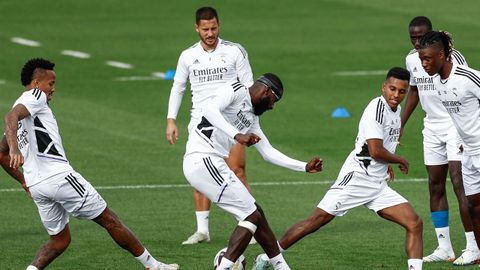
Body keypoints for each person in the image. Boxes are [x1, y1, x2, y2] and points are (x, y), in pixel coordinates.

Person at [1, 58, 179, 270]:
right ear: (37, 83)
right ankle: (154, 267)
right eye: (51, 84)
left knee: (60, 241)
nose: (53, 89)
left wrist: (23, 181)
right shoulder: (35, 96)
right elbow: (10, 117)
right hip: (59, 177)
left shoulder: (21, 113)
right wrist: (15, 148)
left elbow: (1, 154)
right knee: (110, 219)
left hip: (38, 187)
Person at [253, 68, 424, 270]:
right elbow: (376, 150)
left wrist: (387, 166)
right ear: (383, 87)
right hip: (357, 178)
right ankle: (267, 257)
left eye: (401, 91)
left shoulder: (395, 112)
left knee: (414, 223)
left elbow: (383, 148)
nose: (396, 95)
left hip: (377, 184)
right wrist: (398, 160)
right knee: (315, 221)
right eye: (392, 89)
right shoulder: (376, 108)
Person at [182, 73, 323, 270]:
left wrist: (304, 167)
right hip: (202, 159)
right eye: (274, 101)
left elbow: (268, 152)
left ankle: (281, 267)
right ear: (266, 91)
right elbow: (209, 110)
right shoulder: (236, 89)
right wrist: (237, 135)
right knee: (250, 216)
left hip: (212, 162)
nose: (272, 107)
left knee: (256, 212)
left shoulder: (252, 118)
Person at [165, 6, 255, 245]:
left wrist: (247, 120)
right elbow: (178, 87)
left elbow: (249, 86)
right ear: (197, 28)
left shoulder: (235, 51)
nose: (210, 33)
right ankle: (202, 230)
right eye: (205, 29)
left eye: (214, 28)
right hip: (200, 124)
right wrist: (171, 119)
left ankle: (249, 224)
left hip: (231, 122)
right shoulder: (187, 56)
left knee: (237, 170)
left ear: (219, 26)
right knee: (201, 173)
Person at [401, 16, 479, 265]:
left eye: (420, 37)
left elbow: (466, 90)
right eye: (413, 38)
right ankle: (445, 247)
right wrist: (400, 123)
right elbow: (414, 89)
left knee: (459, 184)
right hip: (434, 128)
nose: (416, 43)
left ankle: (472, 246)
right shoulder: (415, 61)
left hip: (458, 129)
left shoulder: (455, 65)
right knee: (437, 185)